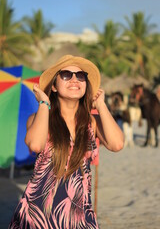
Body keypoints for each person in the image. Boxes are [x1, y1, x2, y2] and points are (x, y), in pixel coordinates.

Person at [9, 55, 124, 229]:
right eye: (66, 75)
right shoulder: (40, 118)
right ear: (54, 86)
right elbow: (35, 145)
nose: (74, 80)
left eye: (80, 76)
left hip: (80, 213)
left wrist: (101, 105)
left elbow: (117, 144)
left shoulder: (91, 122)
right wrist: (43, 103)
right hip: (38, 215)